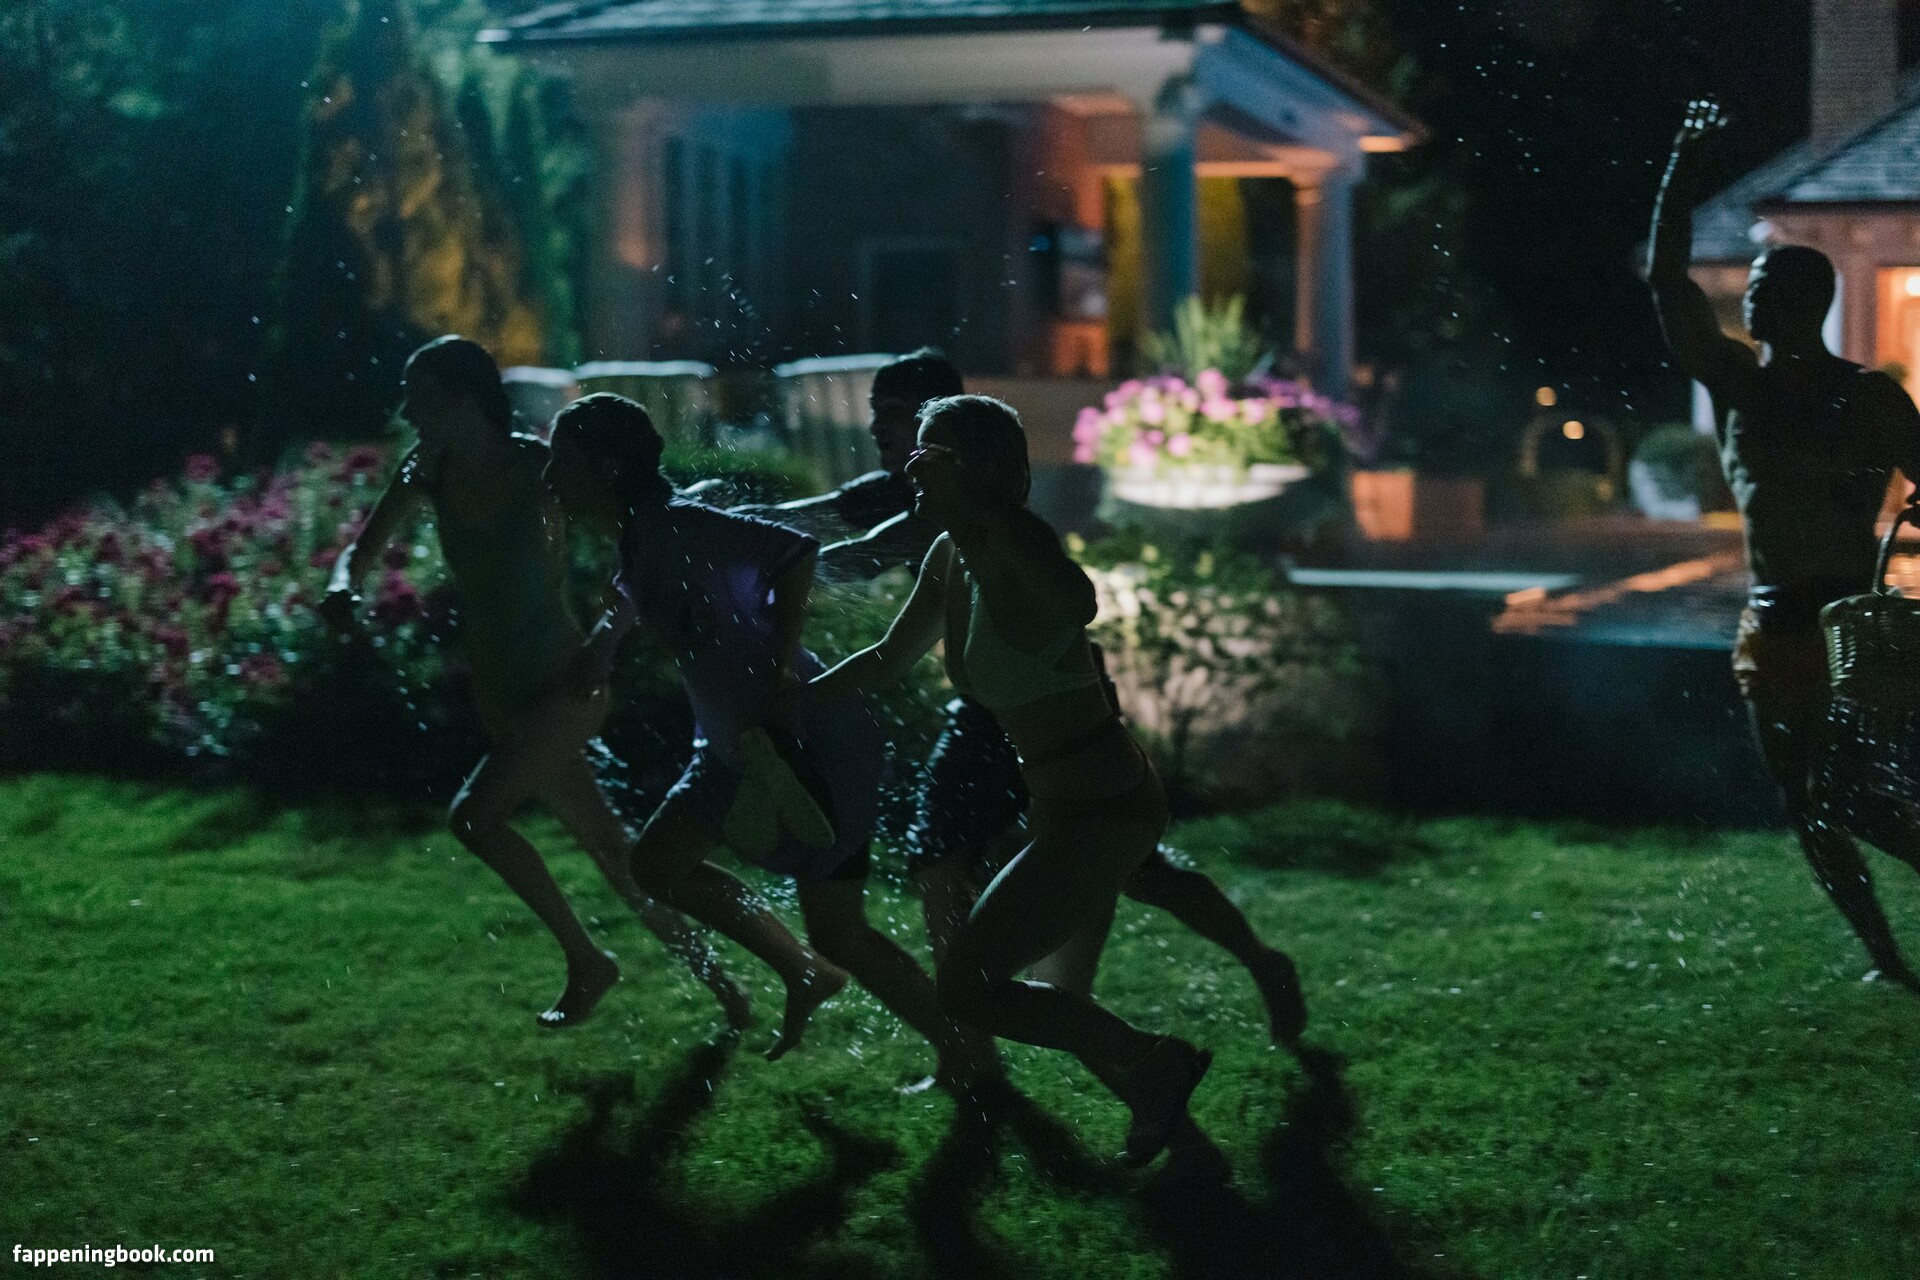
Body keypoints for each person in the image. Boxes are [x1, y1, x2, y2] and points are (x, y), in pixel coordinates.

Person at [809, 394, 1211, 1166]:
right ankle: (1177, 1130)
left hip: (1104, 810)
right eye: (916, 454)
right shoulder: (950, 552)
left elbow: (1077, 602)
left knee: (971, 986)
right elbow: (887, 659)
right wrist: (795, 702)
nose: (912, 469)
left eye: (931, 456)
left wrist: (978, 513)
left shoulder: (1014, 538)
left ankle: (1159, 1064)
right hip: (1065, 809)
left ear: (979, 469)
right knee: (1050, 990)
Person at [545, 392, 985, 1077]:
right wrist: (602, 646)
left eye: (561, 460)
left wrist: (780, 670)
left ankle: (967, 1056)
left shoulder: (676, 524)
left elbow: (793, 554)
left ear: (605, 468)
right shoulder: (643, 534)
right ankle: (805, 973)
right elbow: (635, 589)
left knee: (841, 932)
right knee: (658, 866)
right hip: (734, 749)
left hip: (807, 740)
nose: (550, 476)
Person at [322, 336, 748, 1029]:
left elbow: (634, 542)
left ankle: (588, 961)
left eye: (417, 394)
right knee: (613, 849)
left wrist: (608, 640)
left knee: (475, 817)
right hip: (502, 691)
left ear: (462, 398)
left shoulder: (539, 467)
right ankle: (730, 988)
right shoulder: (426, 472)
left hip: (565, 680)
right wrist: (343, 587)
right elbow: (359, 555)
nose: (406, 410)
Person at [1650, 99, 1920, 990]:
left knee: (1851, 796)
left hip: (1848, 629)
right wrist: (1683, 163)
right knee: (1808, 803)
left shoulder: (1867, 397)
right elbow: (1667, 280)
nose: (1753, 295)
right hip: (1771, 625)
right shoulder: (1739, 383)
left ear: (1809, 302)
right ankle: (1885, 958)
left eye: (1768, 286)